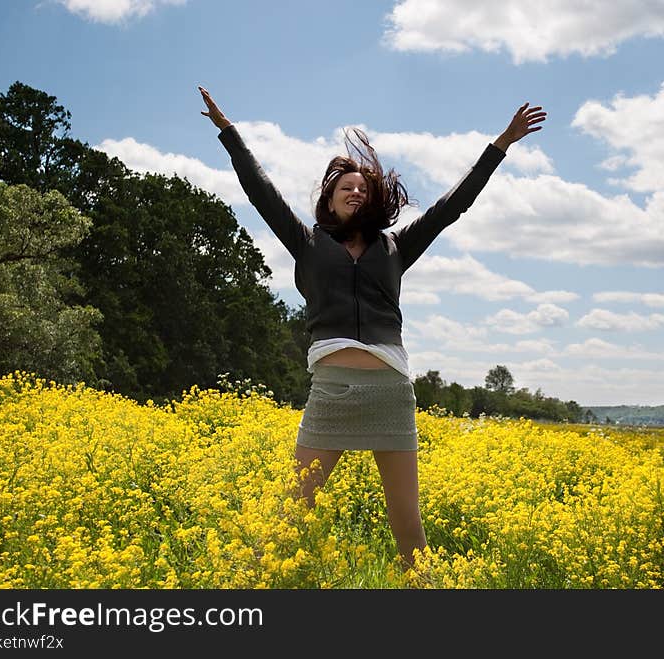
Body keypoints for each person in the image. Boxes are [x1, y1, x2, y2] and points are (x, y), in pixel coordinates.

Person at [199, 86, 546, 569]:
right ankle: (251, 592)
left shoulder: (397, 248)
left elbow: (452, 207)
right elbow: (261, 194)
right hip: (332, 390)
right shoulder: (307, 243)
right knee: (290, 513)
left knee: (408, 524)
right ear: (330, 197)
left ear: (374, 200)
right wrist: (230, 134)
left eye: (363, 189)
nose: (356, 192)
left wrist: (500, 146)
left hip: (389, 392)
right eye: (347, 188)